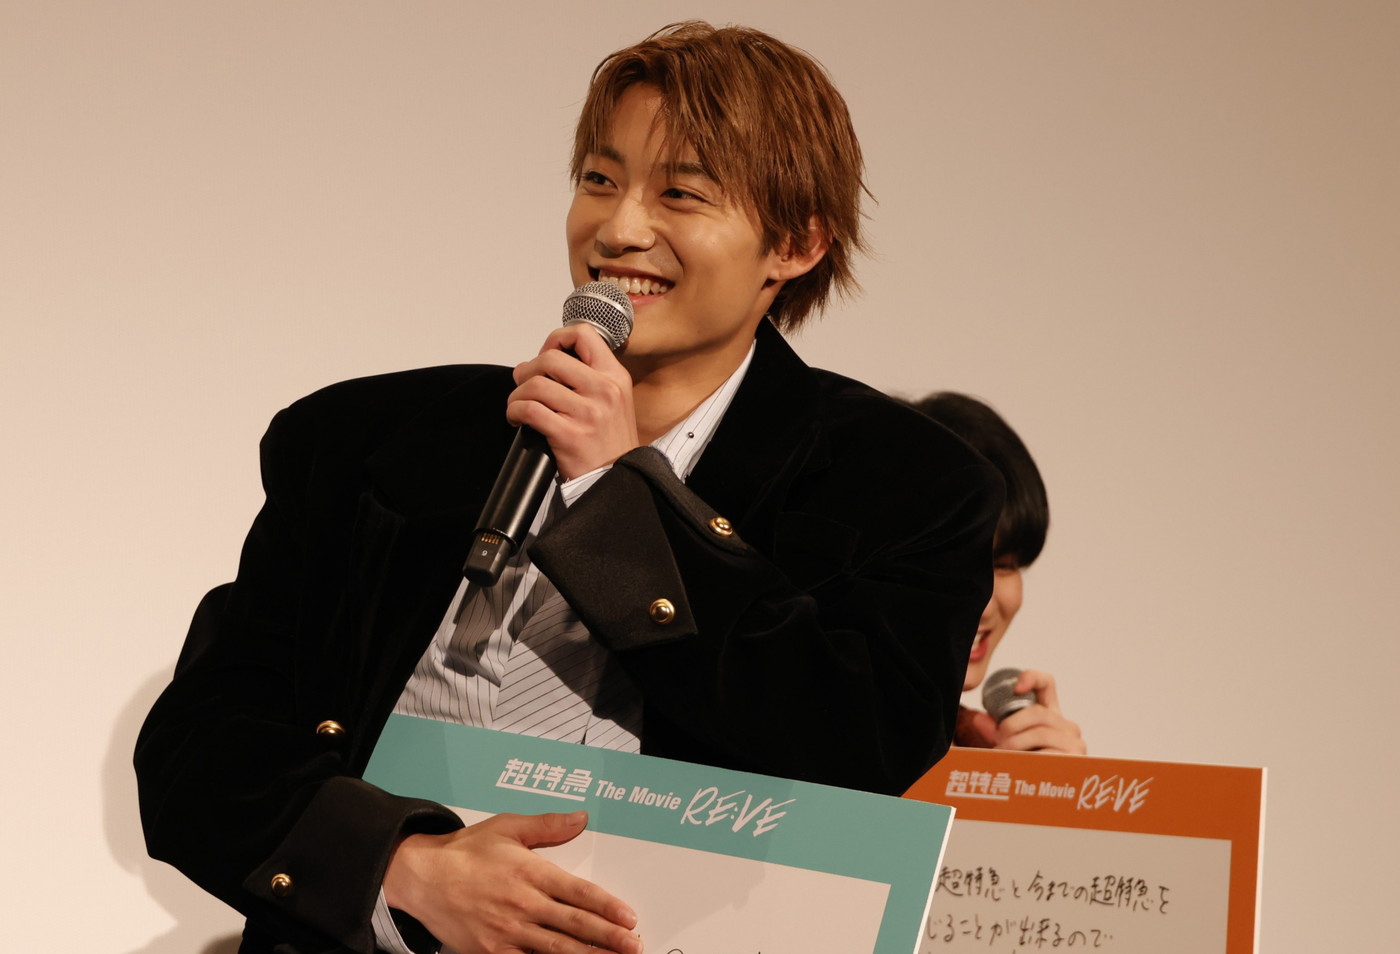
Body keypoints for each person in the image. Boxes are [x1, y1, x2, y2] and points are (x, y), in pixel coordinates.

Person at [136, 23, 1003, 954]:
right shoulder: (365, 441)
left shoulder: (908, 486)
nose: (618, 229)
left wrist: (617, 500)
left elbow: (859, 755)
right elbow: (199, 747)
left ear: (794, 243)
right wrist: (405, 866)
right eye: (599, 180)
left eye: (680, 193)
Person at [907, 392, 1085, 755]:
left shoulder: (986, 745)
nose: (985, 605)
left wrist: (1052, 784)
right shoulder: (803, 742)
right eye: (956, 566)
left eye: (1004, 566)